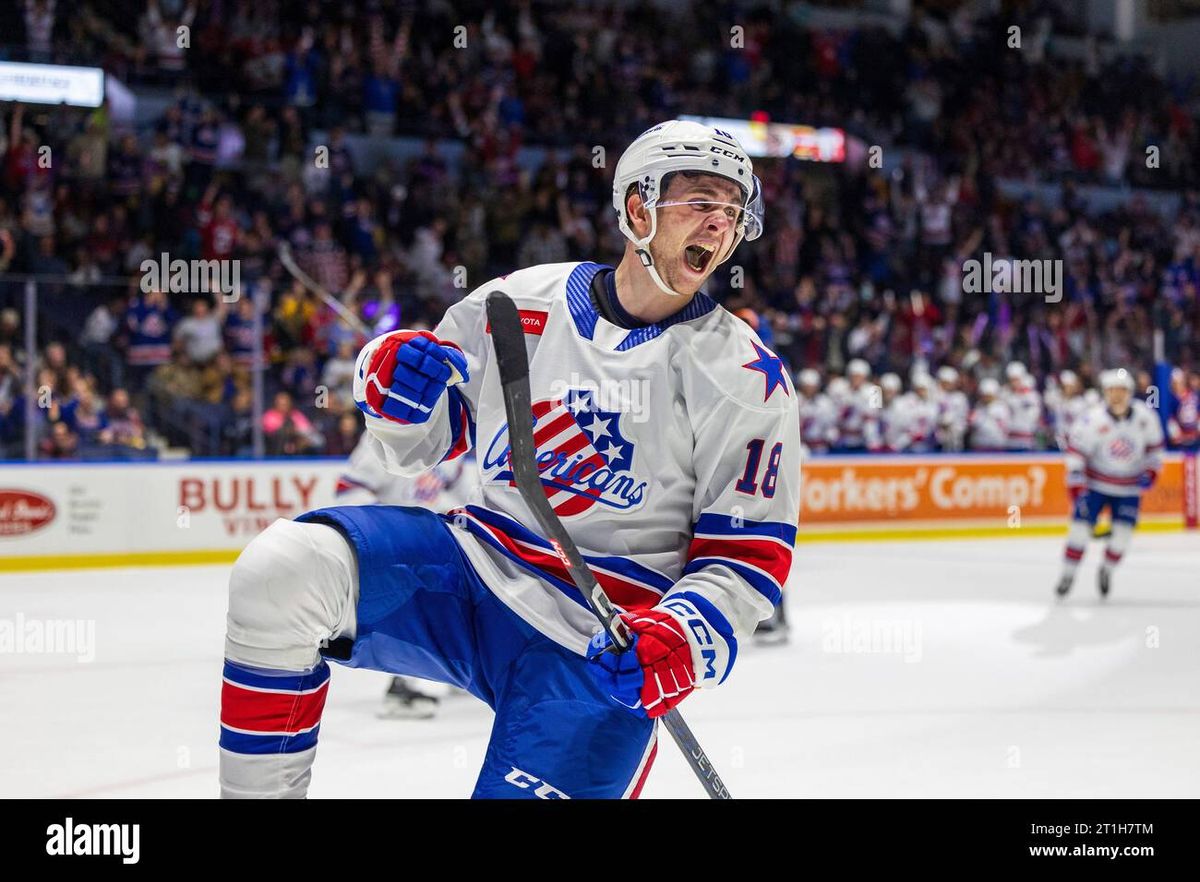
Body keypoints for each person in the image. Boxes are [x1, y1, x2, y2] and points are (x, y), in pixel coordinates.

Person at [218, 120, 799, 799]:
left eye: (733, 212)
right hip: (476, 577)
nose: (720, 225)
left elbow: (748, 556)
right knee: (284, 571)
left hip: (601, 647)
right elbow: (423, 444)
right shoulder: (517, 305)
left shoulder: (746, 375)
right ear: (638, 209)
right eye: (701, 202)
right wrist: (395, 397)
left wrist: (685, 636)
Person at [333, 432, 479, 719]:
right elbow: (347, 491)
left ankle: (458, 669)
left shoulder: (452, 439)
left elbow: (468, 495)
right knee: (411, 615)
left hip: (427, 541)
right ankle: (400, 687)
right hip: (388, 545)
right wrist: (386, 532)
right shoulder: (384, 437)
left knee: (461, 597)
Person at [1055, 369, 1164, 599]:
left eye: (1122, 390)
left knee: (1122, 537)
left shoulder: (1146, 418)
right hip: (1095, 485)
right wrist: (1076, 483)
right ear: (1105, 392)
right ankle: (1068, 574)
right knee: (1079, 533)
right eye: (1112, 390)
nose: (1117, 395)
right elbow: (1076, 454)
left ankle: (1106, 569)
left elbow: (1155, 450)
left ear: (1130, 392)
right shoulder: (1092, 419)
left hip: (1128, 488)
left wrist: (1152, 471)